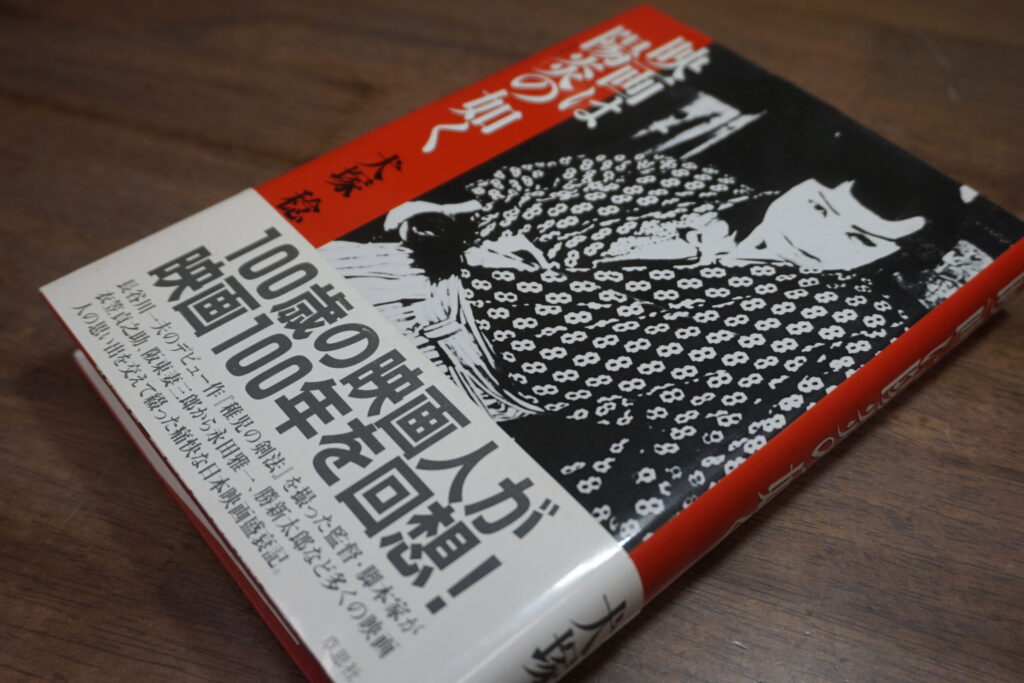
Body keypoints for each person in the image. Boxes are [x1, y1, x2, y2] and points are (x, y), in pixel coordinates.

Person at [320, 153, 926, 546]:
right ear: (795, 184)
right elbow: (545, 179)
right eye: (818, 207)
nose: (819, 236)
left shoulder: (826, 319)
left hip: (476, 382)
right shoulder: (694, 183)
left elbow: (693, 429)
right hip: (412, 270)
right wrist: (459, 216)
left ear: (888, 258)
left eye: (859, 238)